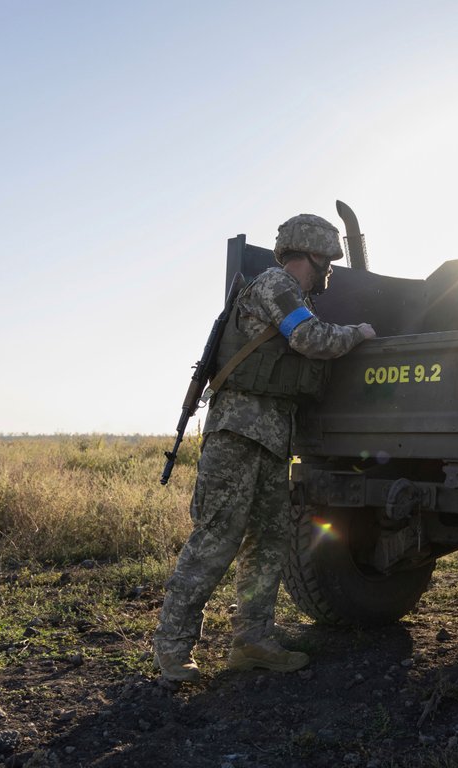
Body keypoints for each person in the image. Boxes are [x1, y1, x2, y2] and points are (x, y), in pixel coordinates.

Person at [154, 213, 376, 683]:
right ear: (310, 255)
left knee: (269, 542)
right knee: (216, 540)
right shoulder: (276, 286)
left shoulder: (286, 291)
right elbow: (309, 338)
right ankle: (173, 651)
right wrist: (359, 334)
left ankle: (253, 640)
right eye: (327, 261)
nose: (329, 271)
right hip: (239, 433)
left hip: (273, 438)